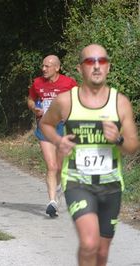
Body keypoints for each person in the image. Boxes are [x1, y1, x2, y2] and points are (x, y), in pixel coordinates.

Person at [40, 44, 139, 265]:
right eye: (89, 62)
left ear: (108, 67)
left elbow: (133, 145)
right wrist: (58, 140)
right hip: (78, 182)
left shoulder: (120, 102)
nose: (96, 66)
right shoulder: (66, 101)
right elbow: (45, 124)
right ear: (79, 69)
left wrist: (119, 139)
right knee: (89, 243)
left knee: (102, 253)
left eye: (101, 61)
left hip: (111, 184)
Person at [27, 55, 77, 217]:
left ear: (57, 67)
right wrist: (35, 109)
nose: (43, 69)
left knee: (60, 167)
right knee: (51, 166)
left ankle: (59, 188)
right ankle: (52, 202)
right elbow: (30, 100)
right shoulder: (37, 83)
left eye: (47, 66)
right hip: (45, 126)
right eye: (43, 66)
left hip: (62, 127)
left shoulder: (68, 83)